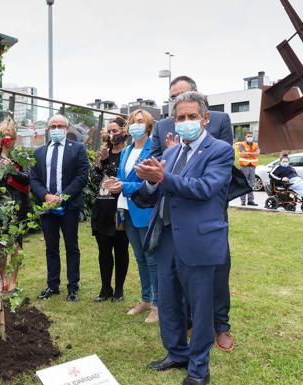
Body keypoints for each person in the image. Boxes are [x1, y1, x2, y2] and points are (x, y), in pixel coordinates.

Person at [136, 91, 233, 385]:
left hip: (199, 241)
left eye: (192, 116)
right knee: (168, 302)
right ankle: (177, 353)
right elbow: (156, 191)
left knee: (200, 307)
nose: (186, 122)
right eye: (180, 117)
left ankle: (198, 370)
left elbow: (205, 188)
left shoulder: (220, 151)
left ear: (205, 118)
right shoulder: (170, 152)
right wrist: (147, 183)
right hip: (166, 238)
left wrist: (163, 179)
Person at [106, 110, 158, 323]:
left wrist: (124, 185)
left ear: (147, 125)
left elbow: (152, 182)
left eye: (140, 122)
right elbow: (121, 177)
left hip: (145, 210)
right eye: (132, 122)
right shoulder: (127, 150)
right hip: (126, 210)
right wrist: (113, 183)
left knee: (152, 259)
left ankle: (158, 304)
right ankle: (146, 299)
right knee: (140, 258)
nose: (136, 126)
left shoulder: (154, 149)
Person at [30, 114, 89, 301]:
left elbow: (81, 176)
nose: (56, 129)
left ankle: (73, 287)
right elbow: (34, 178)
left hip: (69, 206)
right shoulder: (39, 152)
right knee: (51, 247)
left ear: (67, 128)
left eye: (60, 126)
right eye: (53, 126)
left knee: (71, 247)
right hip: (47, 206)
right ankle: (52, 285)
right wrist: (46, 196)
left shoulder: (78, 149)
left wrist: (62, 197)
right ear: (48, 129)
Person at [0, 119, 31, 292]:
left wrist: (12, 169)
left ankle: (13, 280)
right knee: (1, 246)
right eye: (3, 137)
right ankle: (2, 279)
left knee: (16, 246)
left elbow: (28, 178)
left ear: (14, 139)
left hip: (17, 206)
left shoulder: (21, 156)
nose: (7, 140)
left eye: (9, 137)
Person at [90, 117, 129, 303]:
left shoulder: (128, 154)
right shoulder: (103, 152)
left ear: (124, 131)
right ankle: (105, 288)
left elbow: (117, 176)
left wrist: (105, 163)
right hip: (101, 208)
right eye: (110, 131)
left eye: (115, 130)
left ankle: (119, 290)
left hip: (120, 210)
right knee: (103, 251)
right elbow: (94, 179)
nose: (112, 134)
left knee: (120, 249)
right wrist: (100, 161)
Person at [238, 132, 260, 206]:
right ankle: (243, 201)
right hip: (244, 166)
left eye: (251, 136)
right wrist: (252, 153)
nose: (250, 137)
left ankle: (250, 201)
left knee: (251, 184)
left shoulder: (255, 144)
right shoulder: (242, 144)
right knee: (244, 183)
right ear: (245, 137)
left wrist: (248, 153)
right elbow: (243, 153)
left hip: (252, 166)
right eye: (248, 136)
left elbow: (258, 153)